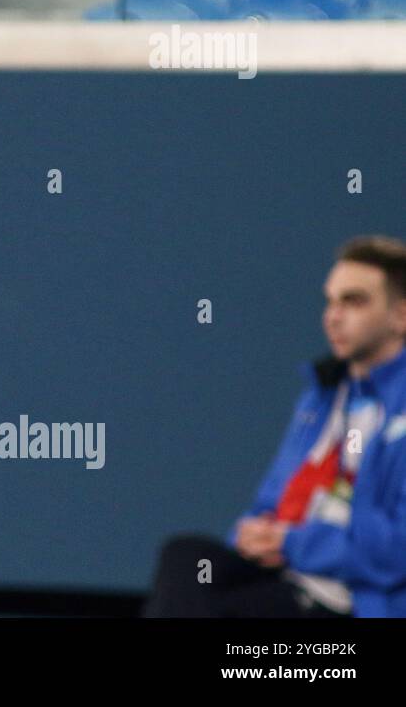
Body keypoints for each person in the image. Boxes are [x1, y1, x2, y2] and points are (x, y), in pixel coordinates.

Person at [144, 235, 406, 617]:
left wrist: (293, 544)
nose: (333, 316)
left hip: (352, 599)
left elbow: (397, 550)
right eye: (330, 301)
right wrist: (254, 536)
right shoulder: (321, 397)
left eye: (353, 301)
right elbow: (270, 502)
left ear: (401, 315)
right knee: (186, 558)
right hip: (287, 573)